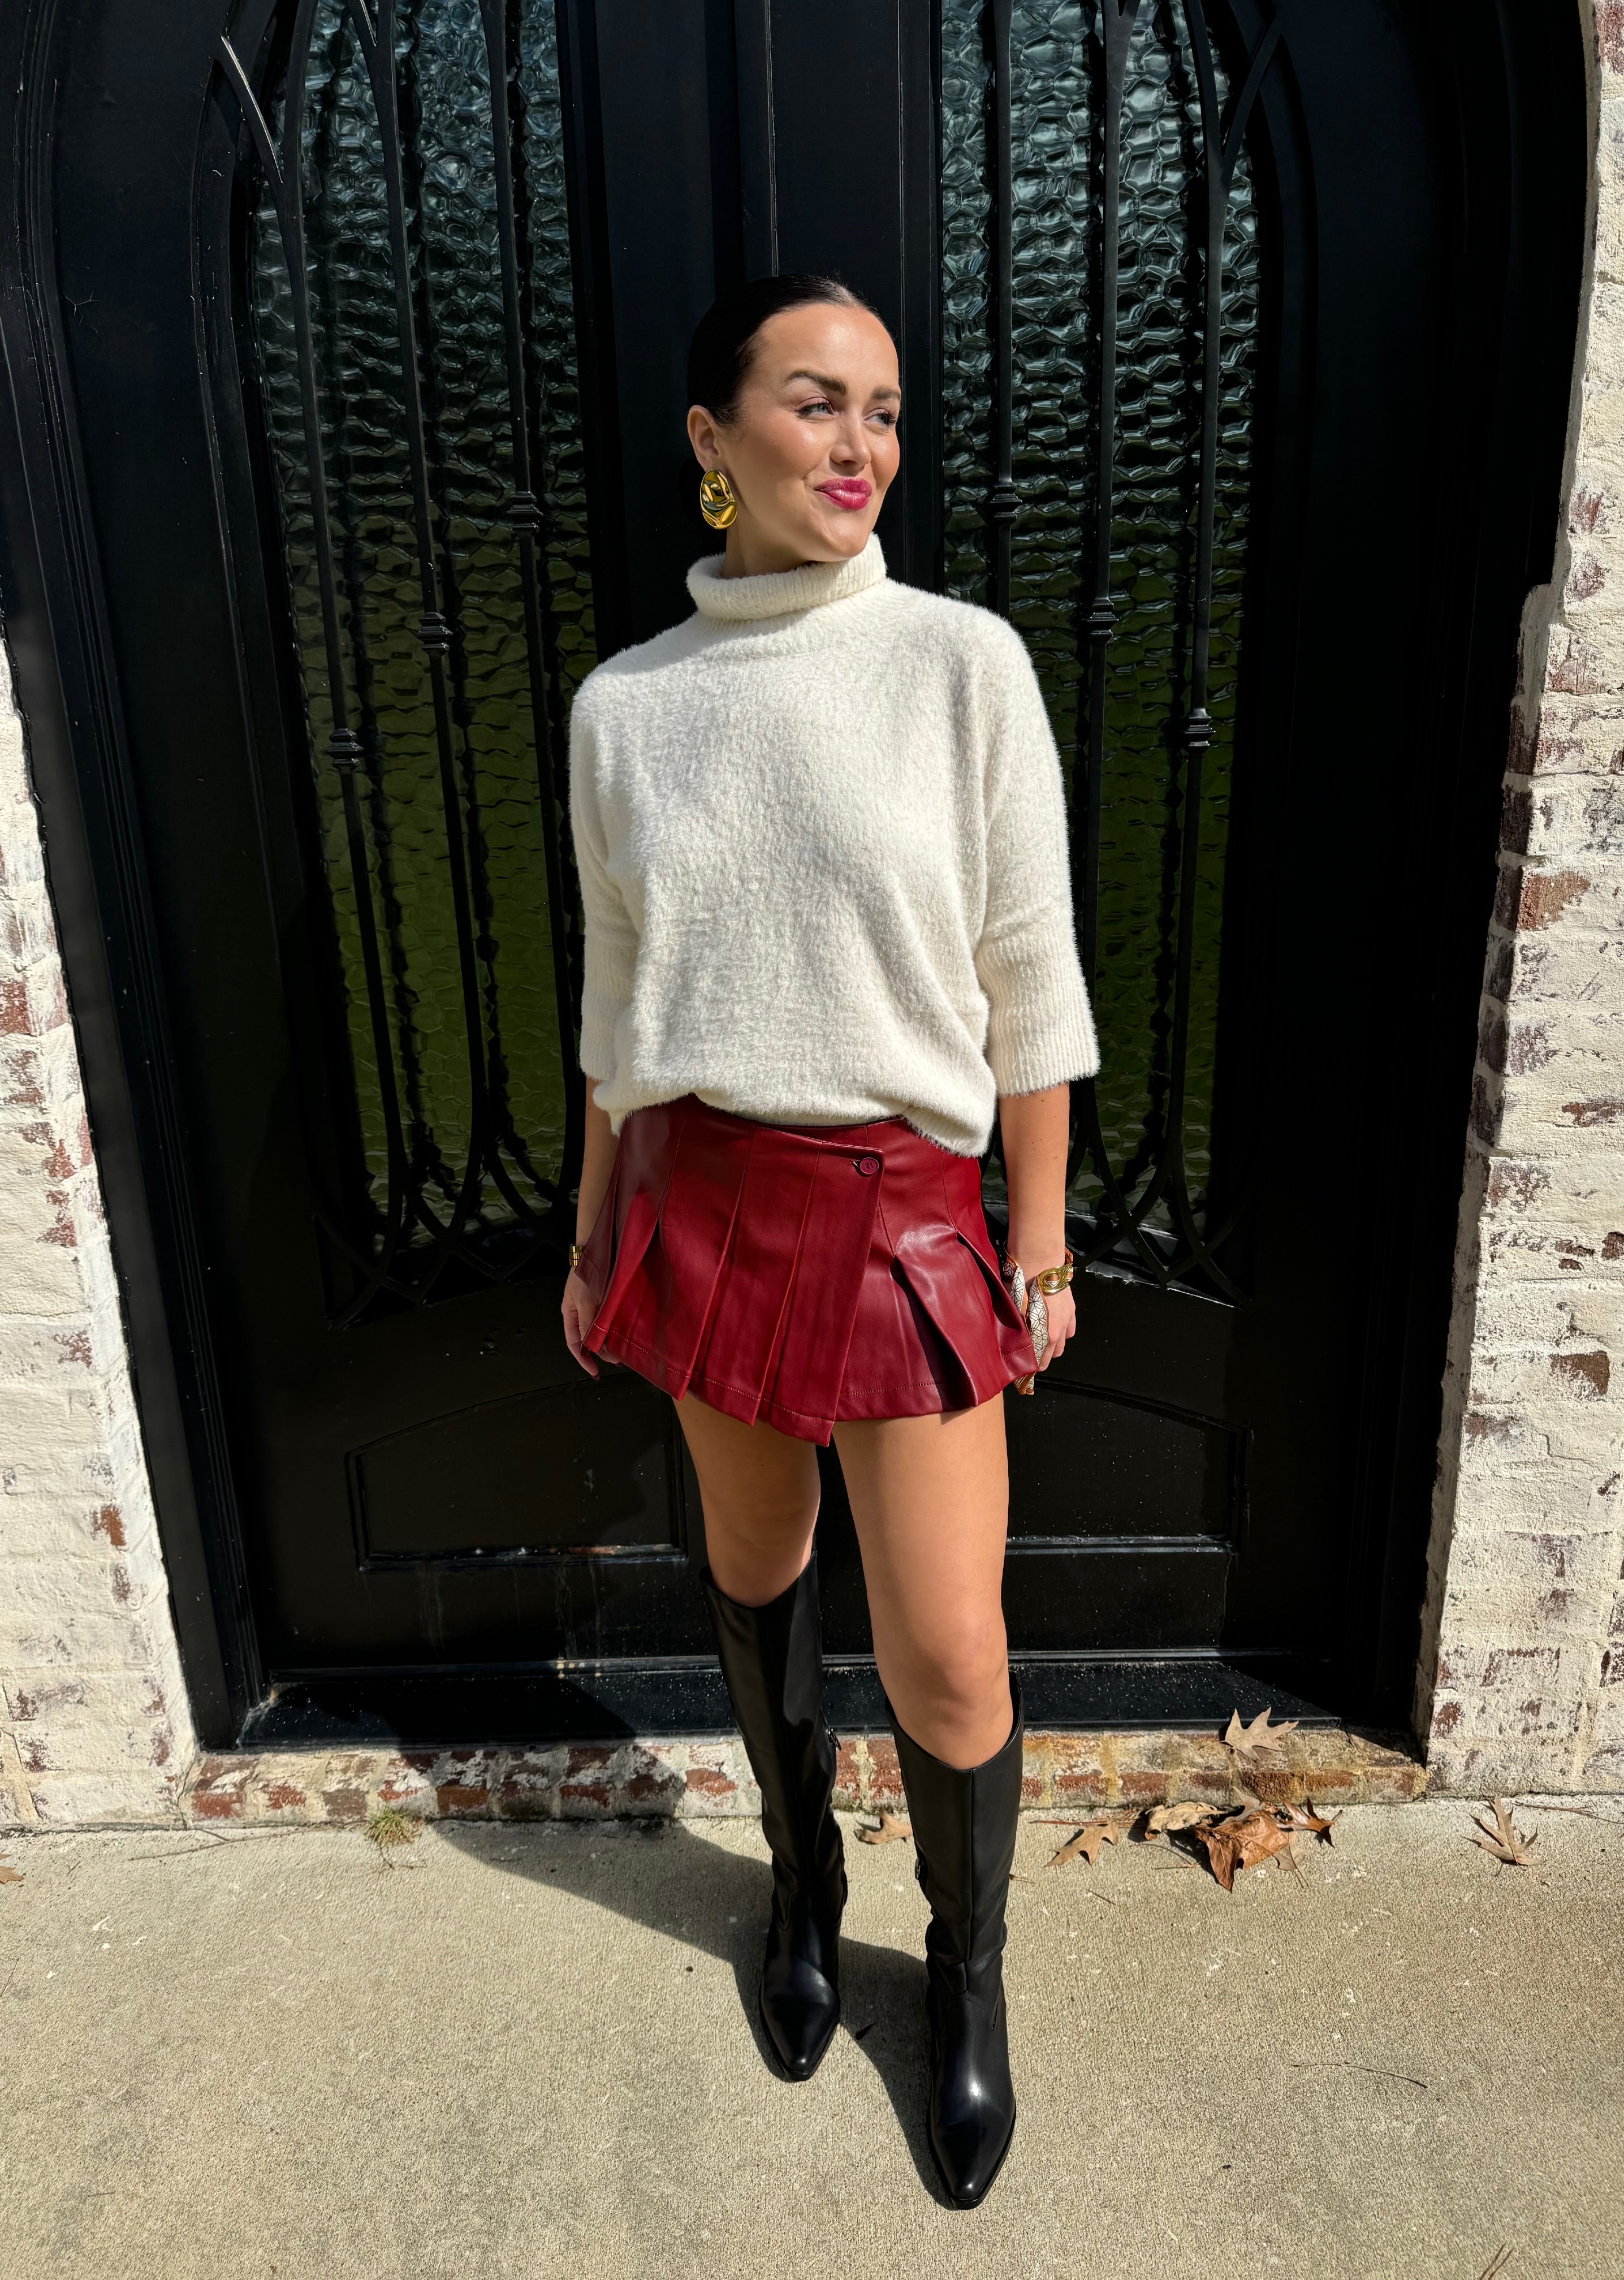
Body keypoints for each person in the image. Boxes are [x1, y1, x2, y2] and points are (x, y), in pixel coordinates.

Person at [560, 273, 1097, 2210]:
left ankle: (967, 1971)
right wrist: (593, 1229)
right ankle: (804, 1887)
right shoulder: (626, 708)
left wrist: (1038, 1241)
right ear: (715, 442)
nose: (860, 444)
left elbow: (1029, 976)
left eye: (881, 408)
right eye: (813, 402)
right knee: (755, 1570)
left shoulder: (961, 665)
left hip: (903, 1216)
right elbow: (621, 1003)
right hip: (703, 1203)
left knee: (949, 1652)